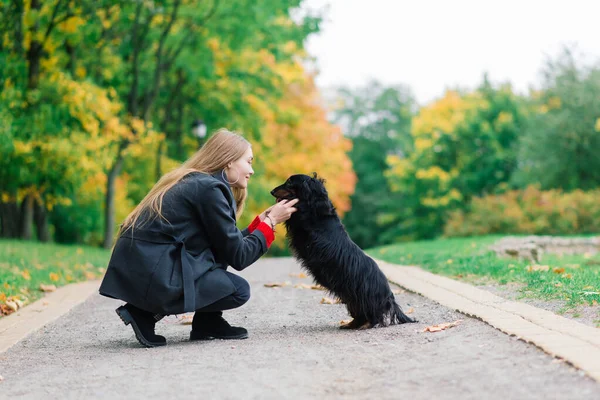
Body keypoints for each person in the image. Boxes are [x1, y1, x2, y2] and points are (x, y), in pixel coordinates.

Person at [99, 129, 299, 347]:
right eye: (248, 161)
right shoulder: (210, 189)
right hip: (154, 270)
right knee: (239, 290)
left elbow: (225, 244)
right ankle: (144, 313)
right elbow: (239, 257)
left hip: (149, 264)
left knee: (215, 256)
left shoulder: (200, 182)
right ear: (229, 161)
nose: (251, 170)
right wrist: (270, 224)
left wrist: (260, 223)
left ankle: (207, 322)